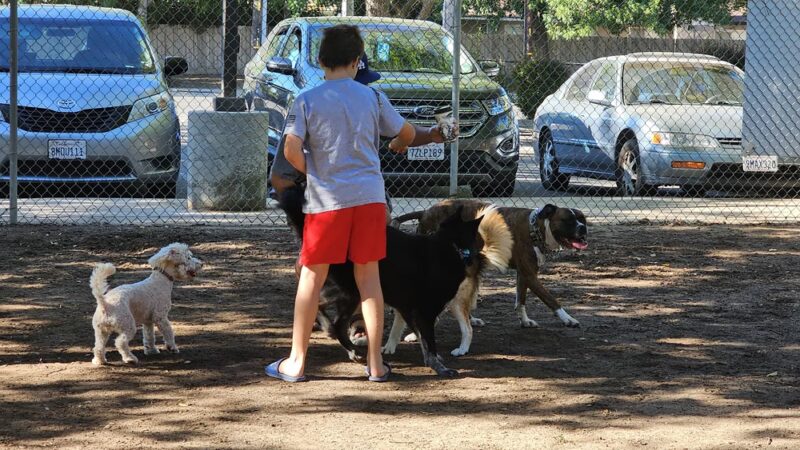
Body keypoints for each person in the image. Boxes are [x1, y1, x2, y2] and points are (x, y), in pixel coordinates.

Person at [265, 24, 416, 382]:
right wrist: (400, 144)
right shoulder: (372, 97)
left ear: (320, 61)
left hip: (325, 202)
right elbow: (405, 132)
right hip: (368, 199)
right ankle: (376, 364)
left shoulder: (307, 99)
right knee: (369, 280)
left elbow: (290, 148)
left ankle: (297, 362)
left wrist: (312, 170)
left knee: (311, 279)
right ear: (356, 60)